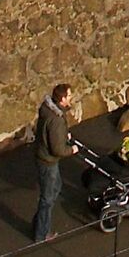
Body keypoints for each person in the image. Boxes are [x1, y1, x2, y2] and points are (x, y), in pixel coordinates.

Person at [31, 82, 77, 243]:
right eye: (69, 95)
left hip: (45, 157)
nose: (71, 98)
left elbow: (51, 134)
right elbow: (58, 149)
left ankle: (39, 224)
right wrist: (72, 150)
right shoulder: (56, 120)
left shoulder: (48, 111)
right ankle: (41, 233)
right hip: (48, 161)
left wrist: (64, 136)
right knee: (47, 198)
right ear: (63, 98)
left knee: (55, 188)